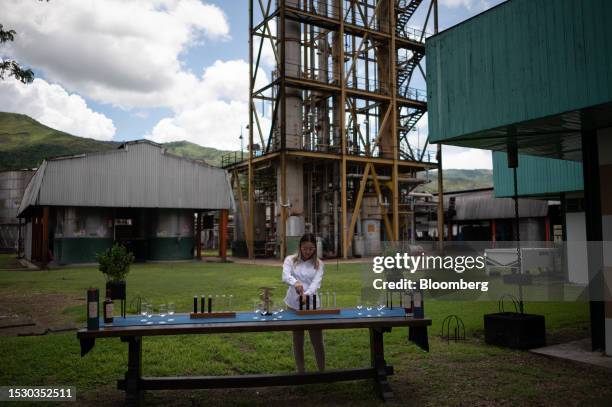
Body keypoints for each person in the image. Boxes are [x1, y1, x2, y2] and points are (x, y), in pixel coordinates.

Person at [281, 233, 325, 373]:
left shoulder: (319, 264)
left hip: (313, 306)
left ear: (315, 249)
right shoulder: (290, 260)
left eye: (311, 249)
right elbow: (285, 276)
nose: (307, 252)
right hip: (293, 305)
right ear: (300, 247)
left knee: (317, 340)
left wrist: (306, 294)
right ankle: (301, 371)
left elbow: (316, 283)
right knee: (297, 339)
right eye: (305, 248)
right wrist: (295, 282)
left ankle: (322, 371)